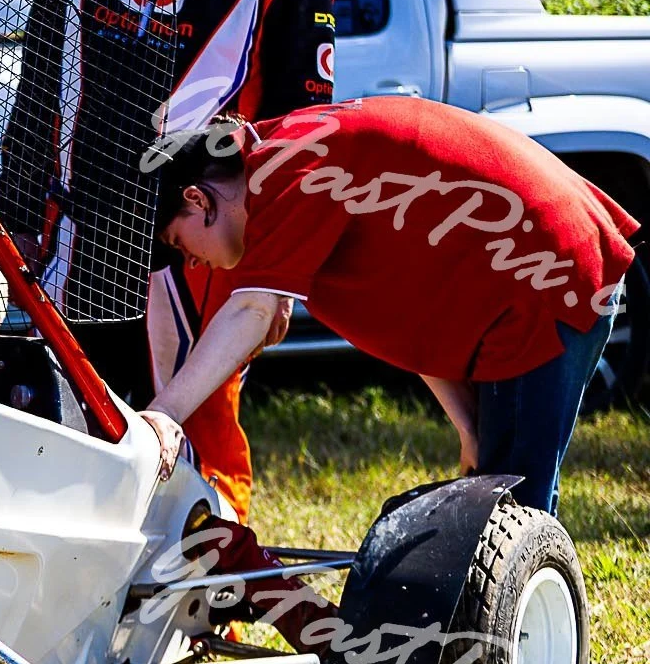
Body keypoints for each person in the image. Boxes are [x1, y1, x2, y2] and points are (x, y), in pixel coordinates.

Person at [0, 0, 337, 524]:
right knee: (69, 424)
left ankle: (211, 606)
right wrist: (17, 214)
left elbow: (299, 145)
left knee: (190, 435)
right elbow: (38, 89)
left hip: (194, 251)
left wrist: (273, 279)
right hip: (78, 235)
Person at [142, 97, 639, 517]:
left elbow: (251, 309)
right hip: (535, 277)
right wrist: (469, 428)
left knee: (517, 509)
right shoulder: (281, 177)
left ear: (198, 199)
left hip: (550, 271)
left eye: (179, 243)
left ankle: (527, 627)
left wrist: (165, 414)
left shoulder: (285, 168)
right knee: (496, 499)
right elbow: (406, 317)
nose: (192, 262)